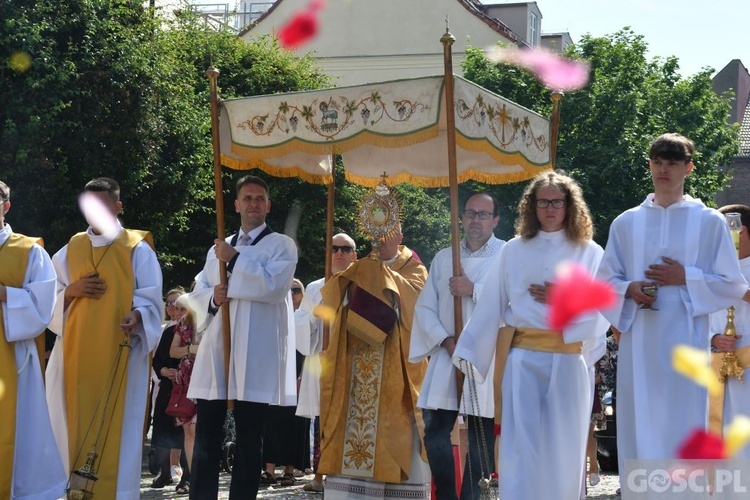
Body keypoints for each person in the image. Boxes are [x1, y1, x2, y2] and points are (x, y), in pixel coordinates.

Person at [596, 133, 748, 471]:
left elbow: (732, 284)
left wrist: (686, 277)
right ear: (650, 164)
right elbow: (603, 282)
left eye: (673, 163)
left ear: (688, 168)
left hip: (688, 342)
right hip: (641, 344)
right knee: (641, 420)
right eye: (658, 162)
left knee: (683, 421)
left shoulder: (709, 222)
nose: (664, 170)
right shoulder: (626, 222)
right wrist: (629, 288)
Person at [454, 171, 608, 499]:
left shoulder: (590, 252)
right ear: (532, 207)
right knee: (521, 446)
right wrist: (469, 350)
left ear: (569, 206)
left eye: (557, 201)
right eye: (543, 202)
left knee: (565, 445)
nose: (550, 208)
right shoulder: (514, 250)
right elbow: (493, 301)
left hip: (568, 359)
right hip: (522, 360)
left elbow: (604, 308)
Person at [46, 177, 163, 499]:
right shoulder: (70, 249)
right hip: (75, 356)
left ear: (117, 207)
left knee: (116, 431)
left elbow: (152, 300)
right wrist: (71, 291)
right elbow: (46, 299)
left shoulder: (136, 247)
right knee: (69, 426)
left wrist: (138, 316)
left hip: (119, 356)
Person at [187, 174, 297, 499]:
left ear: (268, 205)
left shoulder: (281, 246)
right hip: (218, 353)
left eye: (260, 199)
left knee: (250, 440)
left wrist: (234, 259)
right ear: (236, 205)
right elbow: (197, 293)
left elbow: (274, 287)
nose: (253, 204)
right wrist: (211, 298)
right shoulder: (217, 249)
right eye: (247, 198)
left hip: (255, 356)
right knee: (206, 434)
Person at [318, 180, 430, 499]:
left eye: (389, 229)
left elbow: (417, 303)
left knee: (398, 432)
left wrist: (379, 277)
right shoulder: (359, 268)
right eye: (376, 230)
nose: (382, 237)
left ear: (399, 234)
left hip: (398, 372)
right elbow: (333, 303)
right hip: (357, 372)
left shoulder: (415, 268)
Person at [410, 192, 504, 500]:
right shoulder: (443, 258)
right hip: (447, 355)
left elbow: (512, 303)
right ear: (461, 218)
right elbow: (425, 307)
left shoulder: (507, 255)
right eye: (470, 213)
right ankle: (447, 495)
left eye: (483, 214)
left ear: (495, 220)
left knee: (480, 440)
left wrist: (472, 289)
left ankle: (471, 497)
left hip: (484, 360)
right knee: (435, 433)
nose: (475, 219)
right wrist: (446, 340)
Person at [0, 180, 67, 500]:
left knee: (17, 432)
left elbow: (44, 309)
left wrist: (4, 294)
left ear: (6, 206)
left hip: (13, 361)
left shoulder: (29, 250)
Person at [296, 233, 359, 493]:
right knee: (324, 419)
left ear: (355, 255)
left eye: (346, 249)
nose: (339, 253)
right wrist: (316, 310)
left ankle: (349, 474)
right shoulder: (314, 288)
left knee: (350, 418)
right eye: (334, 248)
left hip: (351, 362)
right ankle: (321, 474)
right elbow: (298, 326)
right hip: (322, 362)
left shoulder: (362, 284)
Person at [261, 278, 311, 487]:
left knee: (296, 424)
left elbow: (310, 350)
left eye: (296, 290)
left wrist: (302, 377)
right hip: (274, 376)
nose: (291, 293)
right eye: (287, 289)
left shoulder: (307, 318)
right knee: (271, 423)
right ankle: (269, 470)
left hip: (299, 376)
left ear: (303, 295)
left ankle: (290, 470)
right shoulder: (272, 315)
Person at [709, 204, 750, 456]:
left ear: (741, 231)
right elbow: (695, 315)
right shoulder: (709, 272)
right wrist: (712, 338)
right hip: (712, 369)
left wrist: (743, 293)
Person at [150, 287, 188, 489]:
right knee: (163, 431)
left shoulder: (194, 330)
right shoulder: (168, 332)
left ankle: (186, 476)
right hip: (167, 388)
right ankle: (164, 472)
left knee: (185, 434)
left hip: (187, 389)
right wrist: (165, 371)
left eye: (182, 308)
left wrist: (181, 372)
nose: (177, 311)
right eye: (174, 307)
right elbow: (156, 361)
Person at [169, 295, 201, 495]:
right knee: (189, 430)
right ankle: (193, 477)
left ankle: (199, 476)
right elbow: (172, 351)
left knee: (200, 429)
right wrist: (191, 349)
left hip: (210, 377)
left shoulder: (217, 318)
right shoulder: (184, 322)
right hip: (187, 379)